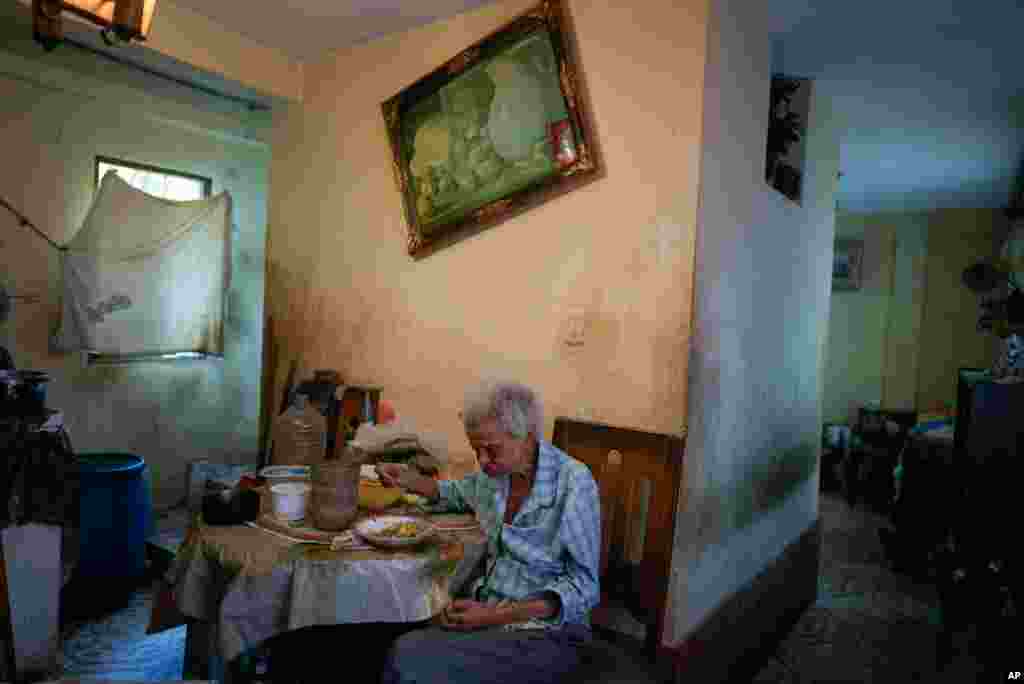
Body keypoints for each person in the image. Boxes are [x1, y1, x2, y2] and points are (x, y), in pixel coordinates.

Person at [376, 380, 601, 684]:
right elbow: (452, 492)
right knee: (394, 630)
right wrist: (407, 478)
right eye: (475, 449)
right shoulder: (495, 476)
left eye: (491, 450)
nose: (482, 461)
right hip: (490, 614)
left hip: (550, 634)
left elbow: (584, 586)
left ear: (527, 436)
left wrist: (494, 616)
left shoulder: (574, 483)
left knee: (408, 658)